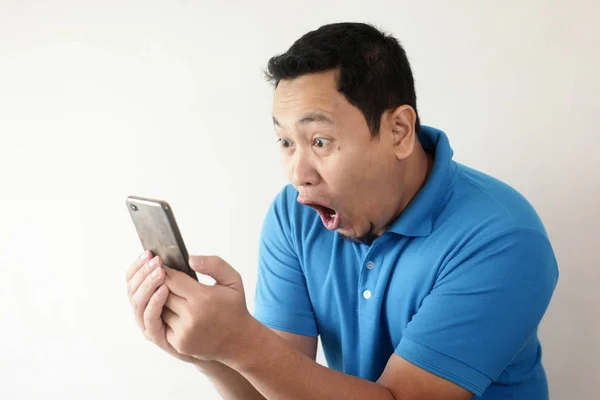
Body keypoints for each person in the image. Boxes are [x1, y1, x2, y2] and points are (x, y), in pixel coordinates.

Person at [125, 22, 559, 399]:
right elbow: (278, 387)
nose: (299, 173)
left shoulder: (502, 238)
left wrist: (243, 342)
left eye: (319, 141)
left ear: (399, 131)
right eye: (285, 142)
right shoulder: (294, 216)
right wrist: (209, 352)